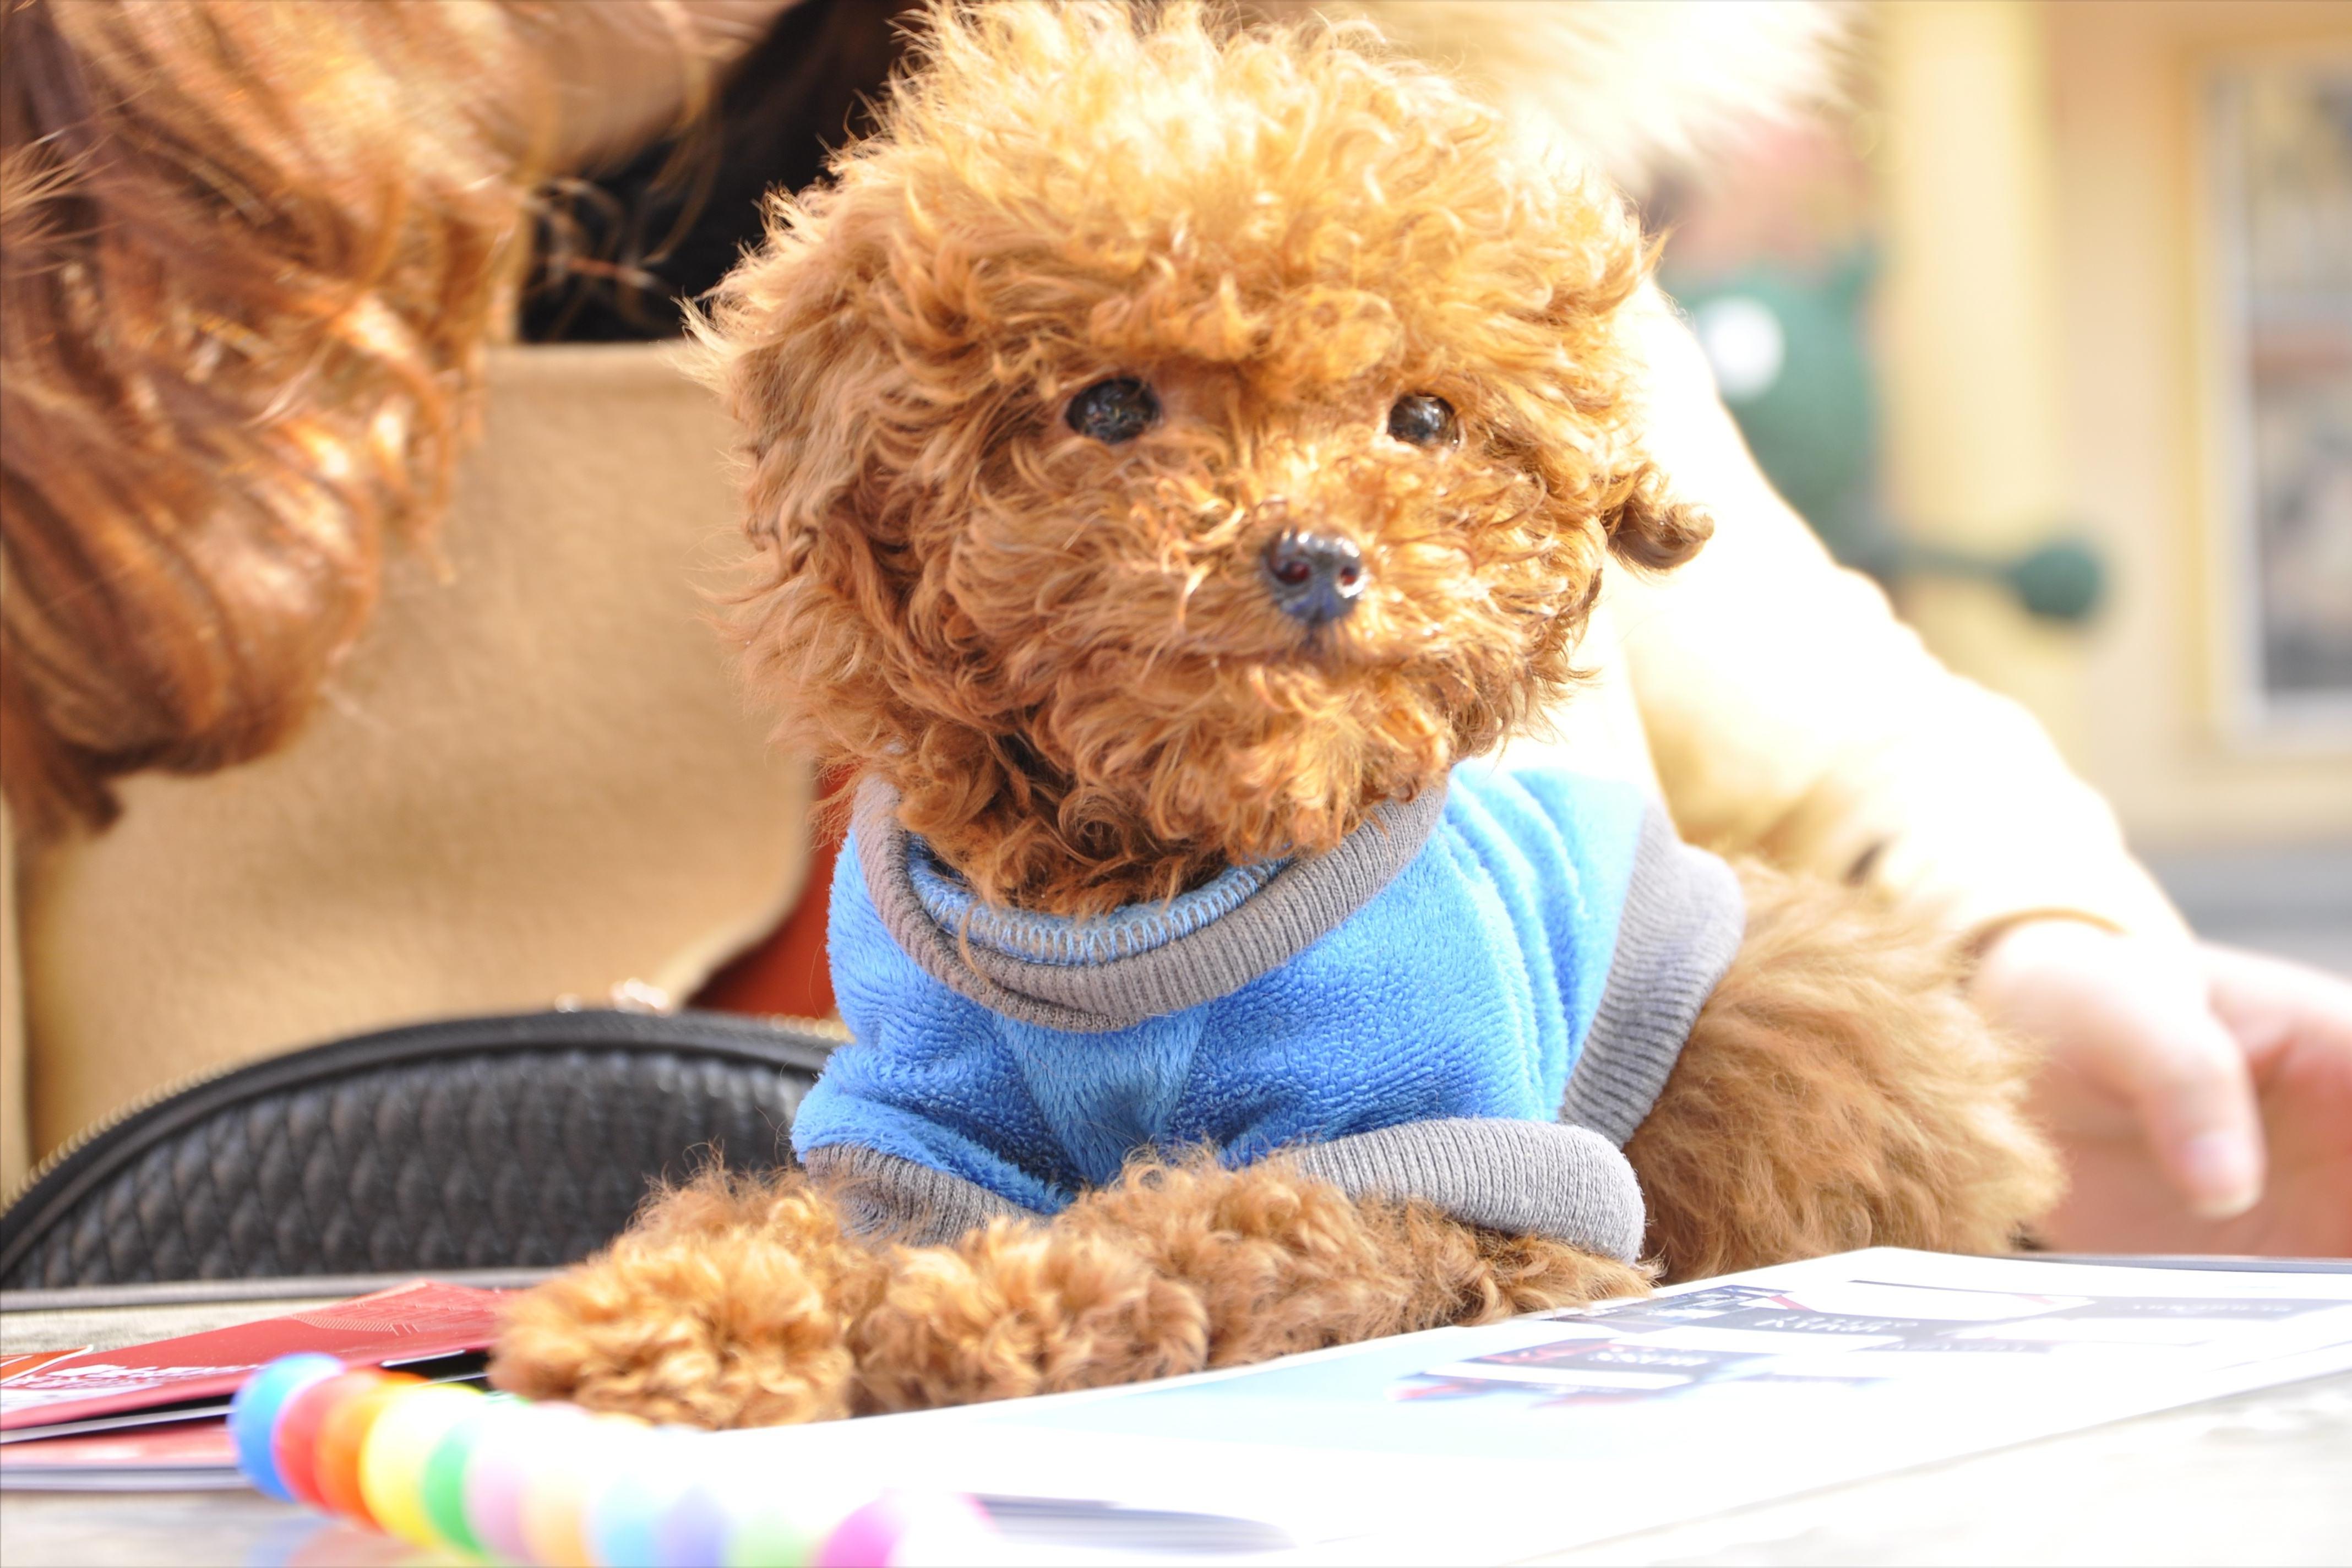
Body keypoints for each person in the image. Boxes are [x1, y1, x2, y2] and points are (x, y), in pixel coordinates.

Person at [2, 0, 2344, 1261]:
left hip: (1343, 1385)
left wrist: (2046, 960)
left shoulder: (1286, 112)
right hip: (307, 1403)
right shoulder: (62, 247)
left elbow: (1800, 695)